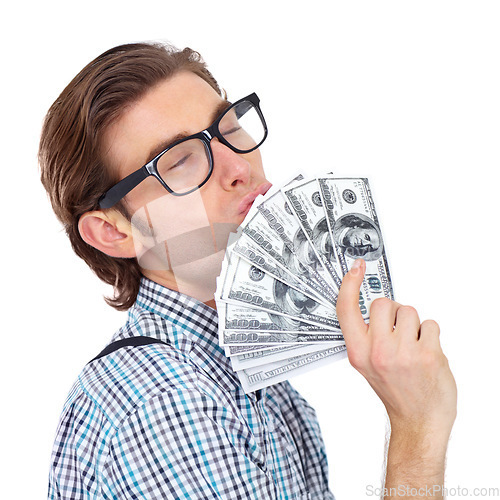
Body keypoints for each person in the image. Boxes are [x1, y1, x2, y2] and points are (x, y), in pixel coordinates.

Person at [40, 41, 457, 499]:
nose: (239, 166)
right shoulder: (163, 403)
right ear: (113, 233)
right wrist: (418, 429)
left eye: (228, 126)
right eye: (179, 160)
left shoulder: (266, 388)